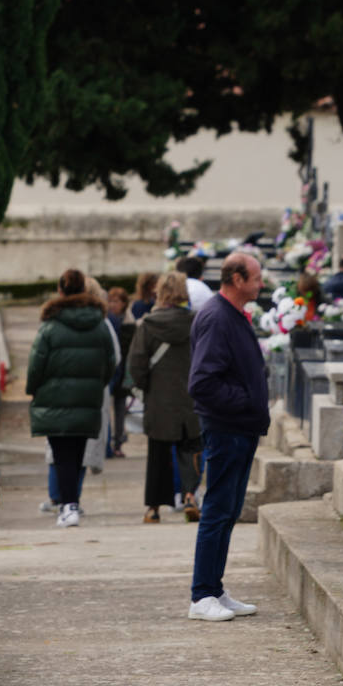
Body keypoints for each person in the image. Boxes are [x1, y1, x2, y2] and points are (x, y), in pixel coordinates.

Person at [187, 251, 268, 622]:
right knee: (217, 511)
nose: (261, 283)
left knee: (229, 510)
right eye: (255, 277)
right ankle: (201, 595)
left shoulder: (230, 315)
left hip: (240, 428)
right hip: (226, 429)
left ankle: (215, 588)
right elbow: (202, 383)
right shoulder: (217, 317)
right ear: (237, 279)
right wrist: (247, 401)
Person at [26, 268, 116, 528]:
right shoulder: (99, 324)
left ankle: (68, 506)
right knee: (76, 453)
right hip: (88, 397)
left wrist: (34, 389)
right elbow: (110, 361)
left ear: (61, 290)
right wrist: (98, 384)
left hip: (54, 398)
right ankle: (71, 502)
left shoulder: (51, 324)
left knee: (62, 454)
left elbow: (36, 364)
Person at [128, 272, 202, 523]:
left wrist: (147, 386)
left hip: (159, 399)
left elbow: (136, 363)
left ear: (160, 293)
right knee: (191, 448)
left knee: (158, 454)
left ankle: (154, 508)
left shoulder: (149, 324)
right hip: (190, 397)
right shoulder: (197, 322)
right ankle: (190, 496)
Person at [106, 286, 135, 458]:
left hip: (123, 370)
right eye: (110, 301)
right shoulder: (108, 320)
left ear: (124, 303)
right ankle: (109, 442)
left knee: (119, 408)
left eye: (116, 301)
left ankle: (118, 442)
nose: (112, 304)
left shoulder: (129, 323)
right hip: (112, 369)